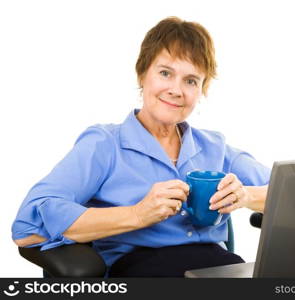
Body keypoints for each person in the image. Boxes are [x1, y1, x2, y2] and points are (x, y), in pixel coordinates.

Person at [12, 16, 270, 277]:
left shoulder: (214, 146)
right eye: (165, 73)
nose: (176, 90)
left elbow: (289, 194)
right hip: (139, 269)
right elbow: (28, 224)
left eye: (191, 80)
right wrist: (138, 214)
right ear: (142, 74)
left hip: (218, 268)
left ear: (202, 89)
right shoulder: (104, 144)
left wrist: (246, 197)